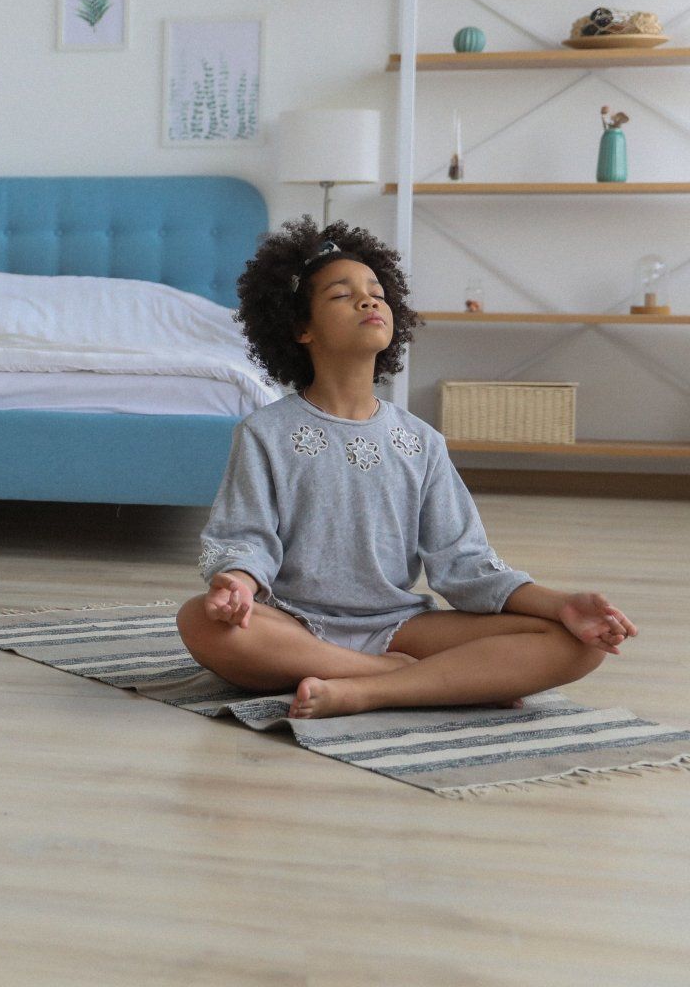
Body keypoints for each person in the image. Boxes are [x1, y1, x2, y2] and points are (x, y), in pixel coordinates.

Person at [177, 219, 635, 719]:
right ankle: (425, 682)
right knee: (199, 621)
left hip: (402, 627)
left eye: (376, 292)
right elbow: (246, 538)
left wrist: (562, 604)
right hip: (292, 625)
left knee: (579, 643)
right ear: (300, 328)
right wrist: (238, 585)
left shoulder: (421, 442)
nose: (368, 301)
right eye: (341, 295)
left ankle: (365, 690)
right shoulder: (264, 432)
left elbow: (466, 564)